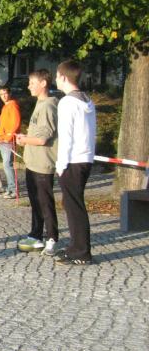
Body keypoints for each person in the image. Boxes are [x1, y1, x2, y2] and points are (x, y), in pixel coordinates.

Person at [53, 60, 97, 265]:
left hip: (72, 160)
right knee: (74, 204)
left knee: (74, 206)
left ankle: (81, 251)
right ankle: (76, 247)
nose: (55, 80)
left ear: (63, 77)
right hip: (85, 158)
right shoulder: (87, 100)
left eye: (56, 76)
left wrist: (61, 165)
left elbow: (66, 137)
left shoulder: (67, 103)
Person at [15, 69, 59, 256]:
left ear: (43, 83)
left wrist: (24, 139)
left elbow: (42, 138)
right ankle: (36, 235)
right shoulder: (40, 104)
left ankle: (52, 238)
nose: (29, 86)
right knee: (35, 202)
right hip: (32, 162)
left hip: (43, 163)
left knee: (45, 203)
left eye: (32, 83)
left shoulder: (48, 106)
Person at [0, 86, 21, 198]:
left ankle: (14, 190)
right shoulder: (5, 107)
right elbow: (3, 124)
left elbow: (16, 123)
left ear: (9, 94)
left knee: (7, 165)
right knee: (6, 165)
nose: (3, 96)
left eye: (5, 93)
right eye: (1, 94)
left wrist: (8, 137)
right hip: (2, 139)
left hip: (8, 140)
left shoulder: (13, 105)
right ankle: (10, 189)